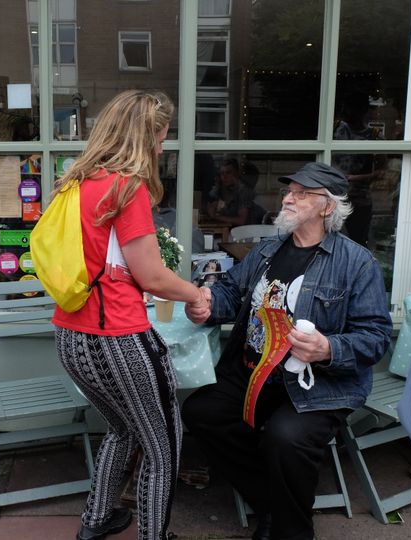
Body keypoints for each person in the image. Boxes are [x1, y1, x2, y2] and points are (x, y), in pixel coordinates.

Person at [181, 162, 392, 540]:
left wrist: (329, 347)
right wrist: (208, 303)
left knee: (286, 437)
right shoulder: (267, 250)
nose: (288, 198)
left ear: (328, 206)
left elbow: (375, 336)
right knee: (201, 412)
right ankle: (273, 503)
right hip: (251, 373)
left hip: (317, 386)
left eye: (301, 193)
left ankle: (292, 529)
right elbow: (231, 290)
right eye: (289, 191)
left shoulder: (357, 263)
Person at [51, 90, 210, 540]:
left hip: (71, 335)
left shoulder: (76, 183)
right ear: (146, 137)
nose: (163, 147)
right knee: (165, 445)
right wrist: (195, 294)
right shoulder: (127, 186)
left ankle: (96, 521)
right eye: (162, 136)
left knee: (121, 428)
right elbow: (152, 276)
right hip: (120, 337)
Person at [333, 91, 385, 247]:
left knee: (357, 243)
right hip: (334, 197)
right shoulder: (336, 131)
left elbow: (382, 172)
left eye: (351, 108)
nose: (346, 112)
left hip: (359, 200)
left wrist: (353, 178)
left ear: (362, 110)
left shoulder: (374, 136)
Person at [205, 159, 256, 226]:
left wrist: (216, 217)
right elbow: (209, 201)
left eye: (228, 173)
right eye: (222, 173)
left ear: (237, 174)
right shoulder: (221, 188)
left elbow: (241, 220)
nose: (224, 177)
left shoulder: (243, 191)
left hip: (248, 232)